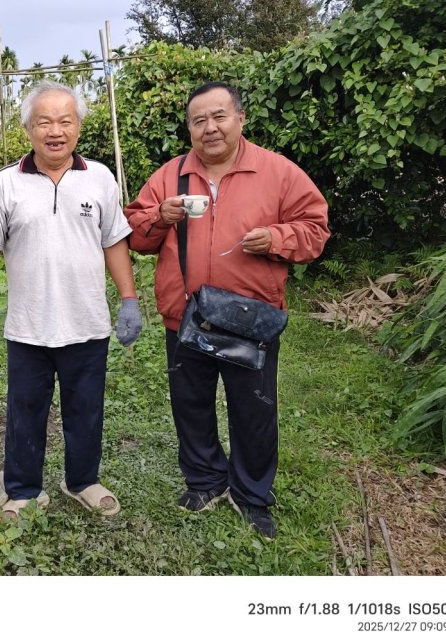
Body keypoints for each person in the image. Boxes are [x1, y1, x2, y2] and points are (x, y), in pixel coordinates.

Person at [125, 82, 330, 539]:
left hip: (250, 319)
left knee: (254, 411)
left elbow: (315, 230)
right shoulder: (170, 176)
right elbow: (136, 235)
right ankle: (205, 481)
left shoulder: (278, 173)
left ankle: (252, 495)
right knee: (191, 405)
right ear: (190, 128)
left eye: (219, 116)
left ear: (240, 118)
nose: (209, 128)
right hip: (186, 316)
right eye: (198, 120)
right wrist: (160, 217)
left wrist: (277, 240)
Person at [0, 81, 141, 519]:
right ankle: (24, 489)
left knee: (86, 409)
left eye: (65, 120)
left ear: (78, 127)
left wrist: (130, 299)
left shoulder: (99, 178)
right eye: (44, 121)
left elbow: (114, 241)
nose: (55, 130)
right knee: (25, 411)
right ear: (29, 129)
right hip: (28, 326)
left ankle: (82, 480)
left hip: (87, 322)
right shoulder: (7, 183)